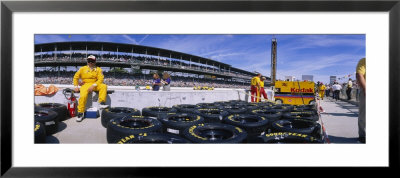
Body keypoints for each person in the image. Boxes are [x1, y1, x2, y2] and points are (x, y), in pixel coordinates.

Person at [73, 55, 107, 122]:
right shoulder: (82, 69)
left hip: (95, 84)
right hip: (85, 84)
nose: (90, 62)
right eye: (89, 61)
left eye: (92, 61)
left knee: (104, 86)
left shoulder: (99, 69)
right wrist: (76, 86)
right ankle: (80, 112)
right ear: (87, 61)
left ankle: (102, 103)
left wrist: (93, 85)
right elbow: (75, 77)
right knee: (83, 96)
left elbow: (101, 79)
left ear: (95, 62)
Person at [356, 58, 366, 143]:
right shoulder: (364, 61)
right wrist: (365, 88)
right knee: (364, 114)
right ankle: (363, 135)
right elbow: (359, 74)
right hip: (366, 88)